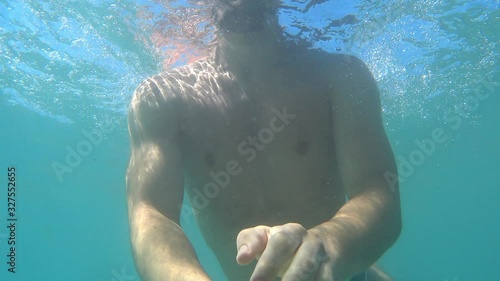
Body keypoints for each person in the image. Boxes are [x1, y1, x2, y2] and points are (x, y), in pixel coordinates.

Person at [125, 0, 402, 280]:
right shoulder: (161, 99)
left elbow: (377, 189)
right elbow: (150, 215)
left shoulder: (342, 77)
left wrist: (328, 245)